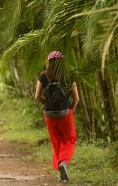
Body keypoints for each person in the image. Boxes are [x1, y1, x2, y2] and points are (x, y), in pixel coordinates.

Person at [34, 51, 79, 182]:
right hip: (65, 113)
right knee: (69, 139)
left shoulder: (43, 75)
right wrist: (70, 110)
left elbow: (37, 97)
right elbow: (76, 98)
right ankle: (63, 163)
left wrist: (46, 104)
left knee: (56, 142)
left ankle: (61, 175)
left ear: (49, 62)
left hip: (49, 114)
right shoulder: (68, 75)